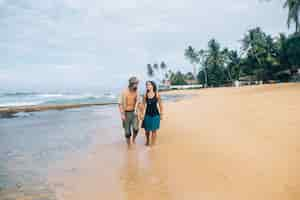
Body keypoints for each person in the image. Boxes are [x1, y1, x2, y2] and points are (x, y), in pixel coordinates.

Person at [118, 77, 140, 148]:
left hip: (134, 113)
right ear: (131, 84)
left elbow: (138, 102)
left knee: (136, 129)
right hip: (126, 113)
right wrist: (122, 115)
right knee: (127, 133)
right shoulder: (124, 92)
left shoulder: (136, 92)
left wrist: (138, 111)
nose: (136, 86)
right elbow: (120, 104)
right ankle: (129, 145)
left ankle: (133, 139)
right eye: (135, 84)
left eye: (137, 84)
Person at [141, 81, 163, 146]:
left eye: (149, 85)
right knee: (147, 130)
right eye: (146, 85)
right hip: (147, 114)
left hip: (155, 114)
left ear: (153, 86)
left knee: (154, 130)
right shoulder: (145, 95)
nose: (147, 86)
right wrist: (141, 114)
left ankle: (153, 143)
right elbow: (143, 105)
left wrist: (161, 114)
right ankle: (147, 140)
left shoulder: (157, 94)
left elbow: (160, 105)